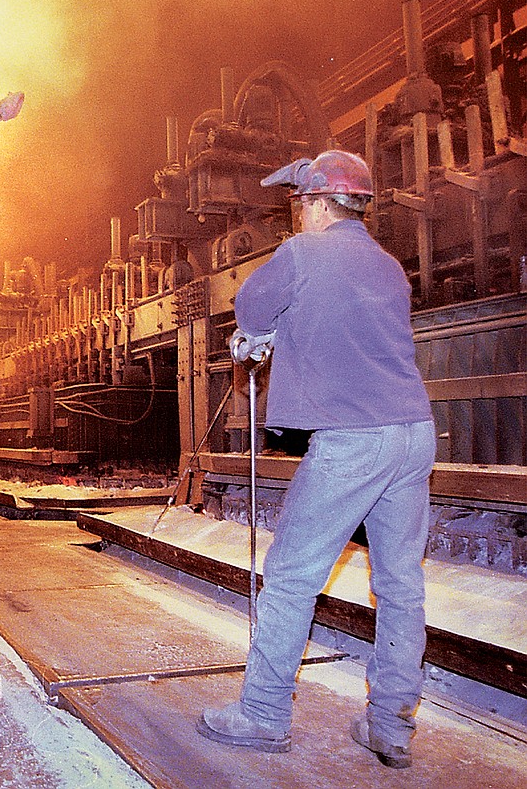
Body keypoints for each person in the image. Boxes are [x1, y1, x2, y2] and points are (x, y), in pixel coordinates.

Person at [196, 150, 435, 769]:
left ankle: (264, 713)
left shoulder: (302, 254)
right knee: (401, 584)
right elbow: (348, 330)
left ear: (321, 202)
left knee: (291, 575)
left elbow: (250, 310)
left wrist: (263, 336)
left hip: (353, 440)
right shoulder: (388, 267)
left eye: (297, 205)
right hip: (413, 433)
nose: (294, 217)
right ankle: (390, 723)